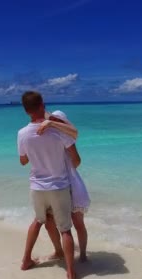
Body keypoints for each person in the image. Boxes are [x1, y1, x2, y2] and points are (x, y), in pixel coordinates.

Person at [17, 91, 81, 279]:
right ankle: (70, 272)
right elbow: (76, 161)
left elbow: (23, 161)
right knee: (65, 230)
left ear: (26, 111)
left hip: (37, 186)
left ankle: (26, 260)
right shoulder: (58, 131)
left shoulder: (22, 134)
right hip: (59, 186)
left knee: (38, 221)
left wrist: (36, 153)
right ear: (42, 105)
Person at [37, 110, 90, 262]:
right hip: (65, 182)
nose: (52, 121)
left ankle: (78, 254)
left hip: (62, 183)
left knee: (69, 222)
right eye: (52, 119)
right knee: (64, 222)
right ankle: (74, 254)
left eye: (55, 119)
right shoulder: (61, 136)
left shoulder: (64, 136)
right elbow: (77, 161)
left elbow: (77, 160)